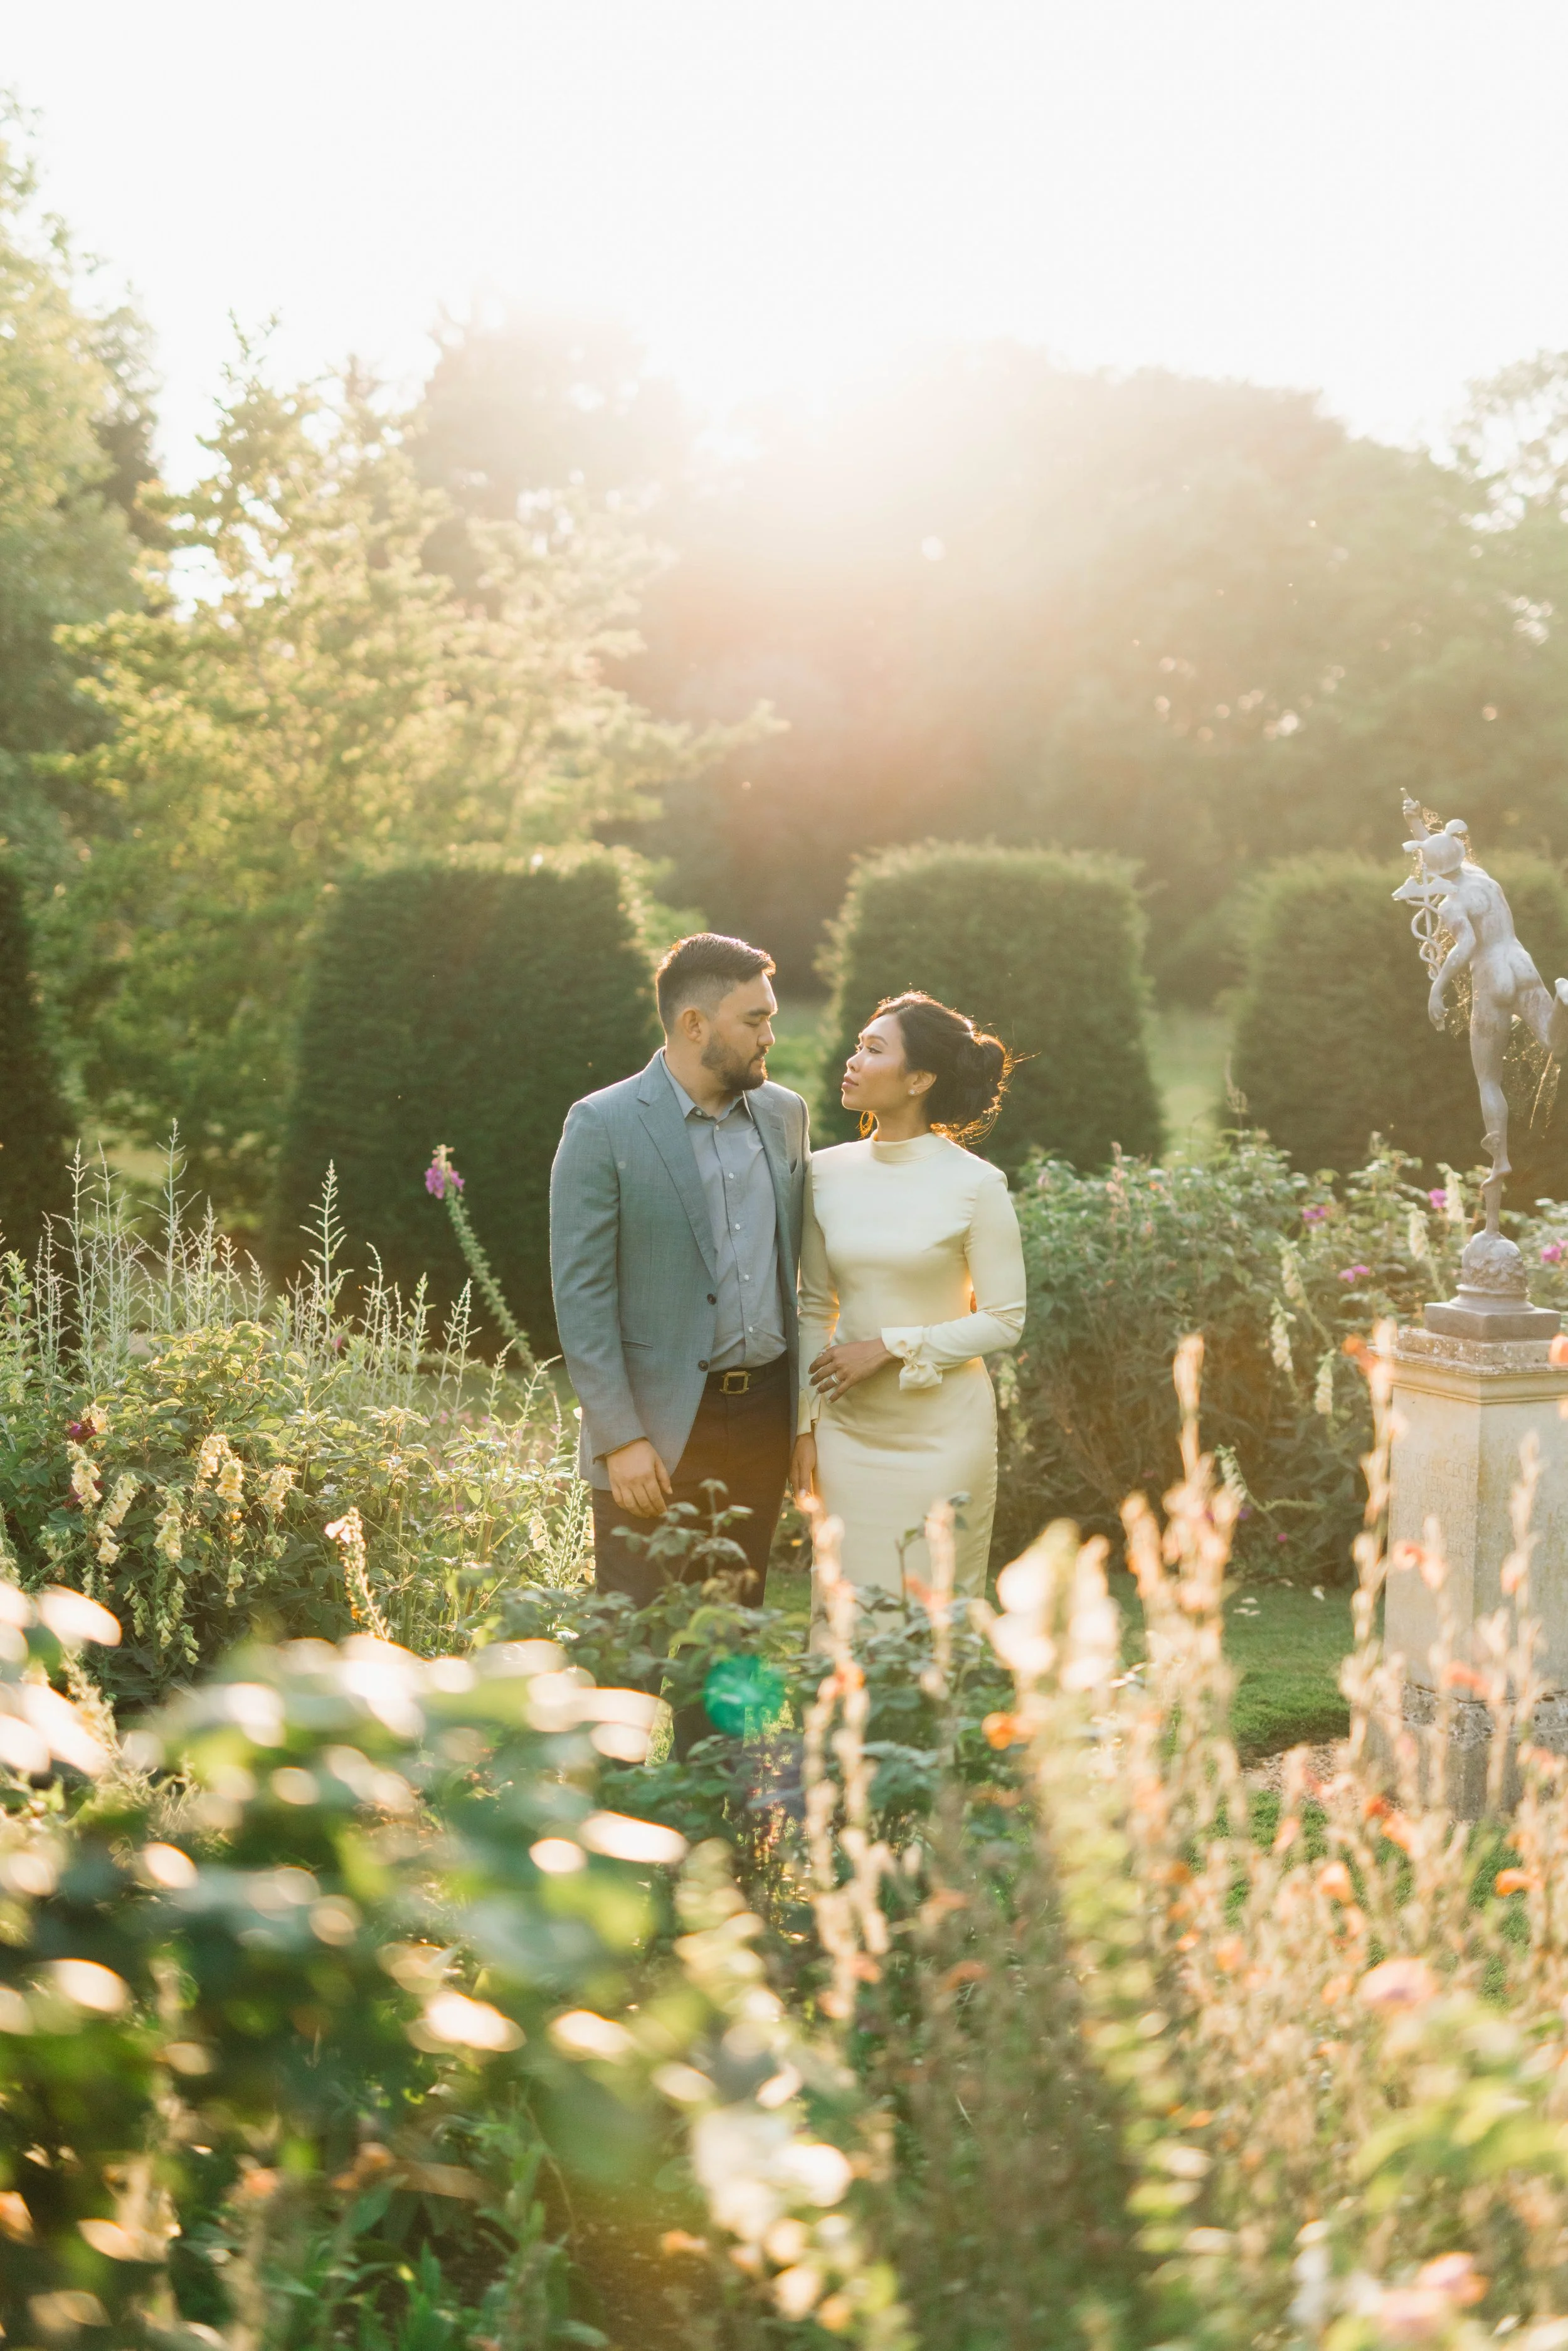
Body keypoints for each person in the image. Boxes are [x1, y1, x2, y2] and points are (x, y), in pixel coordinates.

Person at [549, 931, 810, 1613]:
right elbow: (582, 1298)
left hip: (762, 1417)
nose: (770, 1036)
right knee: (631, 1637)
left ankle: (716, 1732)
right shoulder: (601, 1124)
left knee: (731, 1631)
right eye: (755, 1020)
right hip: (655, 1432)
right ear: (695, 1024)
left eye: (771, 1018)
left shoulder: (785, 1116)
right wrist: (622, 1438)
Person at [792, 993, 1025, 1600]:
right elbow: (814, 1306)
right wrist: (803, 1428)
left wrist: (889, 1347)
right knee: (845, 1609)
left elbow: (1004, 1320)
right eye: (857, 1045)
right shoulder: (821, 1172)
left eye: (874, 1050)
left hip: (943, 1436)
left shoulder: (977, 1184)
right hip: (845, 1432)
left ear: (919, 1078)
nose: (852, 1059)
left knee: (930, 1610)